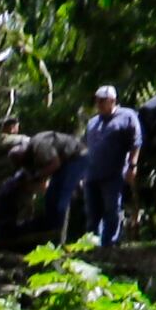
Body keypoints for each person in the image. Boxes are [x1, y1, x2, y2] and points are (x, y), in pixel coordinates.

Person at [55, 86, 144, 246]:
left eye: (102, 101)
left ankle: (110, 245)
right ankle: (92, 247)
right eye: (97, 101)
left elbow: (136, 142)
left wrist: (132, 165)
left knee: (112, 210)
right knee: (92, 213)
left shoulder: (127, 116)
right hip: (91, 174)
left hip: (114, 173)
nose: (99, 104)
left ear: (112, 101)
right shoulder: (93, 122)